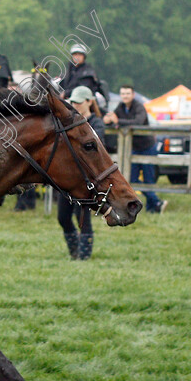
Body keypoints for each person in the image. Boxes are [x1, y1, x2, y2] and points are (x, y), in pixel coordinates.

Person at [103, 85, 167, 213]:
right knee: (131, 178)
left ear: (133, 95)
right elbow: (112, 118)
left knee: (149, 179)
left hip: (147, 146)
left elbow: (138, 121)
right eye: (123, 93)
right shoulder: (121, 107)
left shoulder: (139, 106)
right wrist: (107, 120)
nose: (125, 96)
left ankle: (153, 207)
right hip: (133, 148)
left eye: (127, 93)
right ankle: (156, 202)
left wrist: (117, 120)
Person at [58, 86, 105, 260]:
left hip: (87, 179)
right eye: (74, 102)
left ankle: (83, 255)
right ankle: (75, 251)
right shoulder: (70, 122)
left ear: (89, 102)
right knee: (63, 217)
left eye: (79, 102)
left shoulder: (97, 123)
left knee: (82, 216)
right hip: (69, 177)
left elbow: (95, 147)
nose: (75, 105)